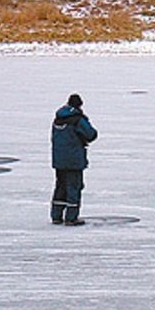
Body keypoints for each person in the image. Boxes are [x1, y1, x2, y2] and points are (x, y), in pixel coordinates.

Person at [51, 93, 98, 225]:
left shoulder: (58, 119)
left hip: (58, 159)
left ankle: (56, 215)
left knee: (60, 186)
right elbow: (91, 134)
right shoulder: (77, 119)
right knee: (74, 186)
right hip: (74, 160)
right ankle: (71, 218)